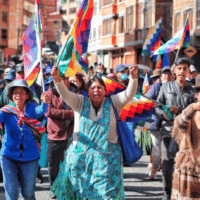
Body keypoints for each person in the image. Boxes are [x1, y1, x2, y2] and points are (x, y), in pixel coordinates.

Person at [50, 65, 138, 199]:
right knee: (81, 194)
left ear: (105, 91)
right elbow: (65, 94)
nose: (96, 90)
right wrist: (57, 79)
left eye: (99, 88)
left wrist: (133, 78)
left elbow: (129, 94)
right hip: (81, 160)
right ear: (88, 91)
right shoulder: (79, 101)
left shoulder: (114, 102)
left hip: (107, 160)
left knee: (106, 193)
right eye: (92, 88)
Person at [0, 79, 50, 200]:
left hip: (30, 157)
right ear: (11, 95)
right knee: (12, 193)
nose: (18, 95)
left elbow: (41, 110)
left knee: (28, 193)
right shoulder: (6, 110)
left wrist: (45, 102)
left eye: (22, 92)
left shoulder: (32, 107)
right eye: (15, 92)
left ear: (27, 95)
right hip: (8, 156)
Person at [155, 57, 196, 200]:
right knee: (167, 167)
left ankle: (181, 194)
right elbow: (157, 107)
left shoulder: (192, 91)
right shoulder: (165, 87)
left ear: (188, 71)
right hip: (168, 133)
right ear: (174, 70)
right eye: (179, 68)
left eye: (185, 68)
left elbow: (196, 112)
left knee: (185, 168)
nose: (182, 71)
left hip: (186, 135)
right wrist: (164, 115)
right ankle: (166, 195)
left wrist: (180, 111)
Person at [170, 74, 200, 199]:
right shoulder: (191, 110)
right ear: (197, 95)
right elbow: (179, 124)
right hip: (190, 165)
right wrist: (191, 109)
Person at [46, 77, 76, 199]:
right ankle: (54, 187)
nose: (66, 81)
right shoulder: (49, 93)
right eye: (62, 78)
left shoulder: (76, 91)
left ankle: (69, 188)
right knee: (54, 165)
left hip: (73, 134)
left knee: (72, 164)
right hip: (55, 135)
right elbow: (49, 112)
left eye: (67, 78)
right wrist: (71, 114)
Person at [147, 66, 173, 179]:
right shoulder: (155, 87)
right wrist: (159, 105)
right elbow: (147, 99)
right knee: (156, 149)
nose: (167, 75)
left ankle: (167, 174)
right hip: (156, 122)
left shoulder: (175, 87)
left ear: (172, 76)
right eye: (164, 73)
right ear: (161, 76)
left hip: (170, 123)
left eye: (169, 73)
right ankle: (154, 171)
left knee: (169, 150)